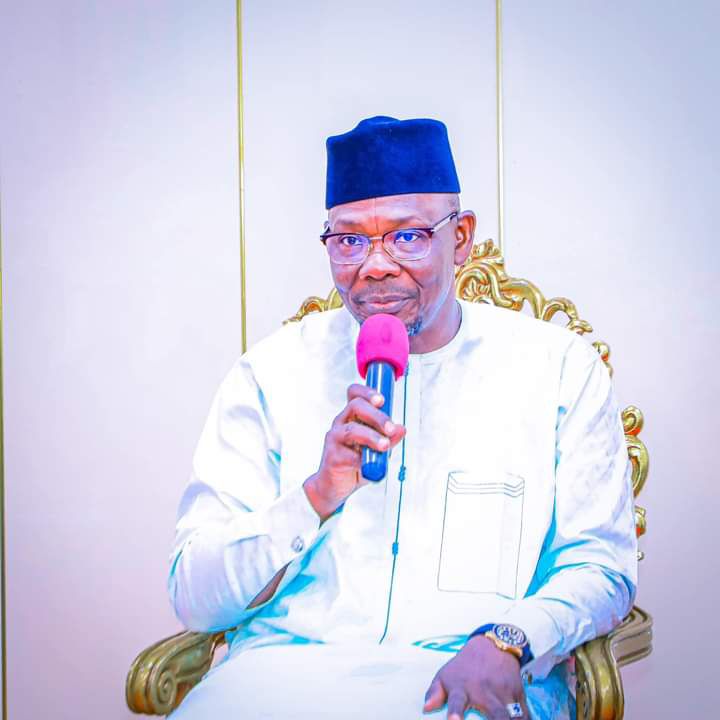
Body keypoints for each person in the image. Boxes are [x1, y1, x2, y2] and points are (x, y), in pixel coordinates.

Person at [167, 116, 637, 720]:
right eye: (349, 241)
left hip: (465, 678)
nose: (376, 265)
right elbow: (195, 596)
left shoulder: (559, 369)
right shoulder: (269, 372)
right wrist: (315, 496)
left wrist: (510, 639)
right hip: (282, 676)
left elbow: (599, 565)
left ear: (461, 238)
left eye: (408, 236)